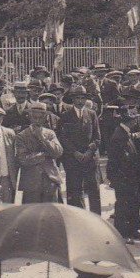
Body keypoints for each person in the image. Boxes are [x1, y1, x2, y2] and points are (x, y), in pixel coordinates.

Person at [106, 106, 140, 242]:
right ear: (130, 122)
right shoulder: (119, 136)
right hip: (123, 177)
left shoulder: (124, 133)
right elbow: (116, 160)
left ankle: (132, 230)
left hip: (130, 177)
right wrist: (116, 179)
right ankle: (123, 234)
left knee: (132, 203)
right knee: (123, 205)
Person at [58, 84, 101, 214]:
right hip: (73, 159)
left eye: (83, 98)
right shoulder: (65, 116)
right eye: (77, 98)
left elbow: (97, 137)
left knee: (94, 190)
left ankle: (96, 218)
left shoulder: (92, 114)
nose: (80, 101)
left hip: (90, 158)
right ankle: (77, 218)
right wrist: (74, 152)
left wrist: (89, 152)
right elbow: (63, 138)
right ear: (73, 99)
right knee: (74, 191)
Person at [14, 102, 64, 203]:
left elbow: (58, 152)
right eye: (34, 117)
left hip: (50, 179)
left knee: (51, 211)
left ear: (45, 118)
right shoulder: (21, 136)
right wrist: (44, 155)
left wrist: (43, 139)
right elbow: (22, 159)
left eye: (40, 117)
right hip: (31, 182)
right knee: (32, 211)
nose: (37, 120)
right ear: (29, 117)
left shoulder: (50, 133)